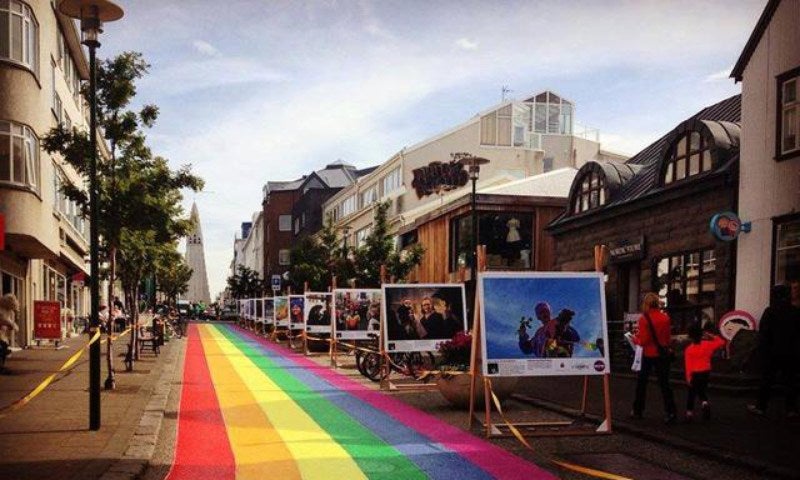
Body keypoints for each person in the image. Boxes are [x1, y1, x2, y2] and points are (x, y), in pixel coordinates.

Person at [747, 284, 799, 418]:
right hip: (791, 353)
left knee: (767, 380)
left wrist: (762, 352)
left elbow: (764, 334)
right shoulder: (795, 311)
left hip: (772, 353)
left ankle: (761, 407)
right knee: (790, 381)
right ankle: (791, 409)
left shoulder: (770, 311)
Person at [632, 292, 677, 423]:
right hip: (662, 354)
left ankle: (638, 410)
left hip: (647, 354)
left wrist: (635, 339)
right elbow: (668, 339)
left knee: (642, 384)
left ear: (645, 304)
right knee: (665, 384)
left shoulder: (643, 319)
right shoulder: (665, 318)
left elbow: (644, 340)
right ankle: (671, 411)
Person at [684, 323, 726, 421]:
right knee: (701, 389)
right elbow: (721, 342)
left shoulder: (689, 349)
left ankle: (689, 413)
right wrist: (710, 335)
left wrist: (688, 378)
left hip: (695, 373)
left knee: (692, 393)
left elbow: (688, 365)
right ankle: (704, 403)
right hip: (706, 371)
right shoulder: (707, 345)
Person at [0, 294, 20, 372]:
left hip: (2, 333)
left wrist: (11, 325)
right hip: (1, 333)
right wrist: (12, 325)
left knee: (4, 348)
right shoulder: (2, 310)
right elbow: (5, 320)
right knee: (2, 348)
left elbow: (8, 321)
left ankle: (1, 366)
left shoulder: (10, 312)